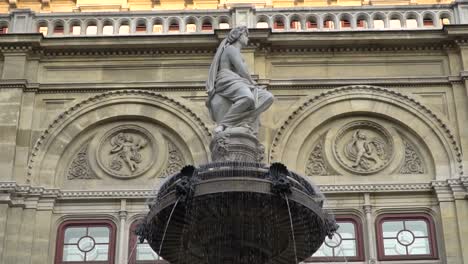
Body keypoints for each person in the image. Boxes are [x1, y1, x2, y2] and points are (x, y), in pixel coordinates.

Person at [206, 26, 274, 134]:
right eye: (246, 35)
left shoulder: (236, 51)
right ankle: (224, 124)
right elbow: (241, 69)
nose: (248, 38)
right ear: (239, 36)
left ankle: (243, 120)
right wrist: (252, 83)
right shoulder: (231, 49)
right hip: (227, 79)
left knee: (268, 97)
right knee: (247, 97)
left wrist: (252, 84)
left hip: (238, 81)